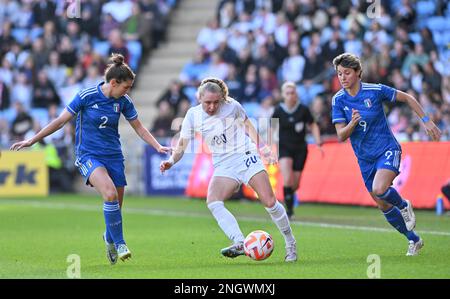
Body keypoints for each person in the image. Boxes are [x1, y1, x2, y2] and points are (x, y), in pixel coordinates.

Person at [10, 53, 170, 264]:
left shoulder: (124, 101)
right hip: (88, 155)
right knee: (110, 194)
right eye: (126, 87)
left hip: (113, 155)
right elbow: (60, 121)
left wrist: (157, 145)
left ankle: (109, 238)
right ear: (113, 82)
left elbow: (138, 127)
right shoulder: (86, 96)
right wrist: (32, 140)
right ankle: (120, 243)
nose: (127, 91)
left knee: (116, 206)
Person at [160, 77, 297, 262]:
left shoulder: (232, 106)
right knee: (213, 201)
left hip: (245, 155)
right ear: (199, 98)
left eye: (216, 102)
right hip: (224, 164)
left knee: (269, 201)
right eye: (207, 102)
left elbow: (249, 127)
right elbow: (182, 146)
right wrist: (170, 161)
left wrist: (264, 148)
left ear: (222, 99)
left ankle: (290, 244)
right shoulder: (192, 115)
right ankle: (240, 242)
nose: (211, 106)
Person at [331, 53, 441, 256]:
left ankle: (404, 204)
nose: (343, 77)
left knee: (380, 188)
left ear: (358, 73)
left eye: (347, 73)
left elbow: (407, 98)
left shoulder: (375, 91)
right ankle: (414, 240)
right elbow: (340, 136)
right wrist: (352, 124)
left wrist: (426, 120)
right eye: (339, 74)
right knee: (382, 204)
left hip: (386, 148)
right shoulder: (338, 100)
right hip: (364, 159)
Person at [272, 81, 323, 219]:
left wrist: (318, 141)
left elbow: (312, 125)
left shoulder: (303, 109)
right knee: (287, 179)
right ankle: (289, 212)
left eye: (292, 93)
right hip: (284, 148)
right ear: (283, 95)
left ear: (296, 94)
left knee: (295, 184)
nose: (290, 95)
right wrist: (269, 146)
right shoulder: (278, 110)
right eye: (287, 93)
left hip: (300, 148)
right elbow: (271, 128)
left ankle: (288, 196)